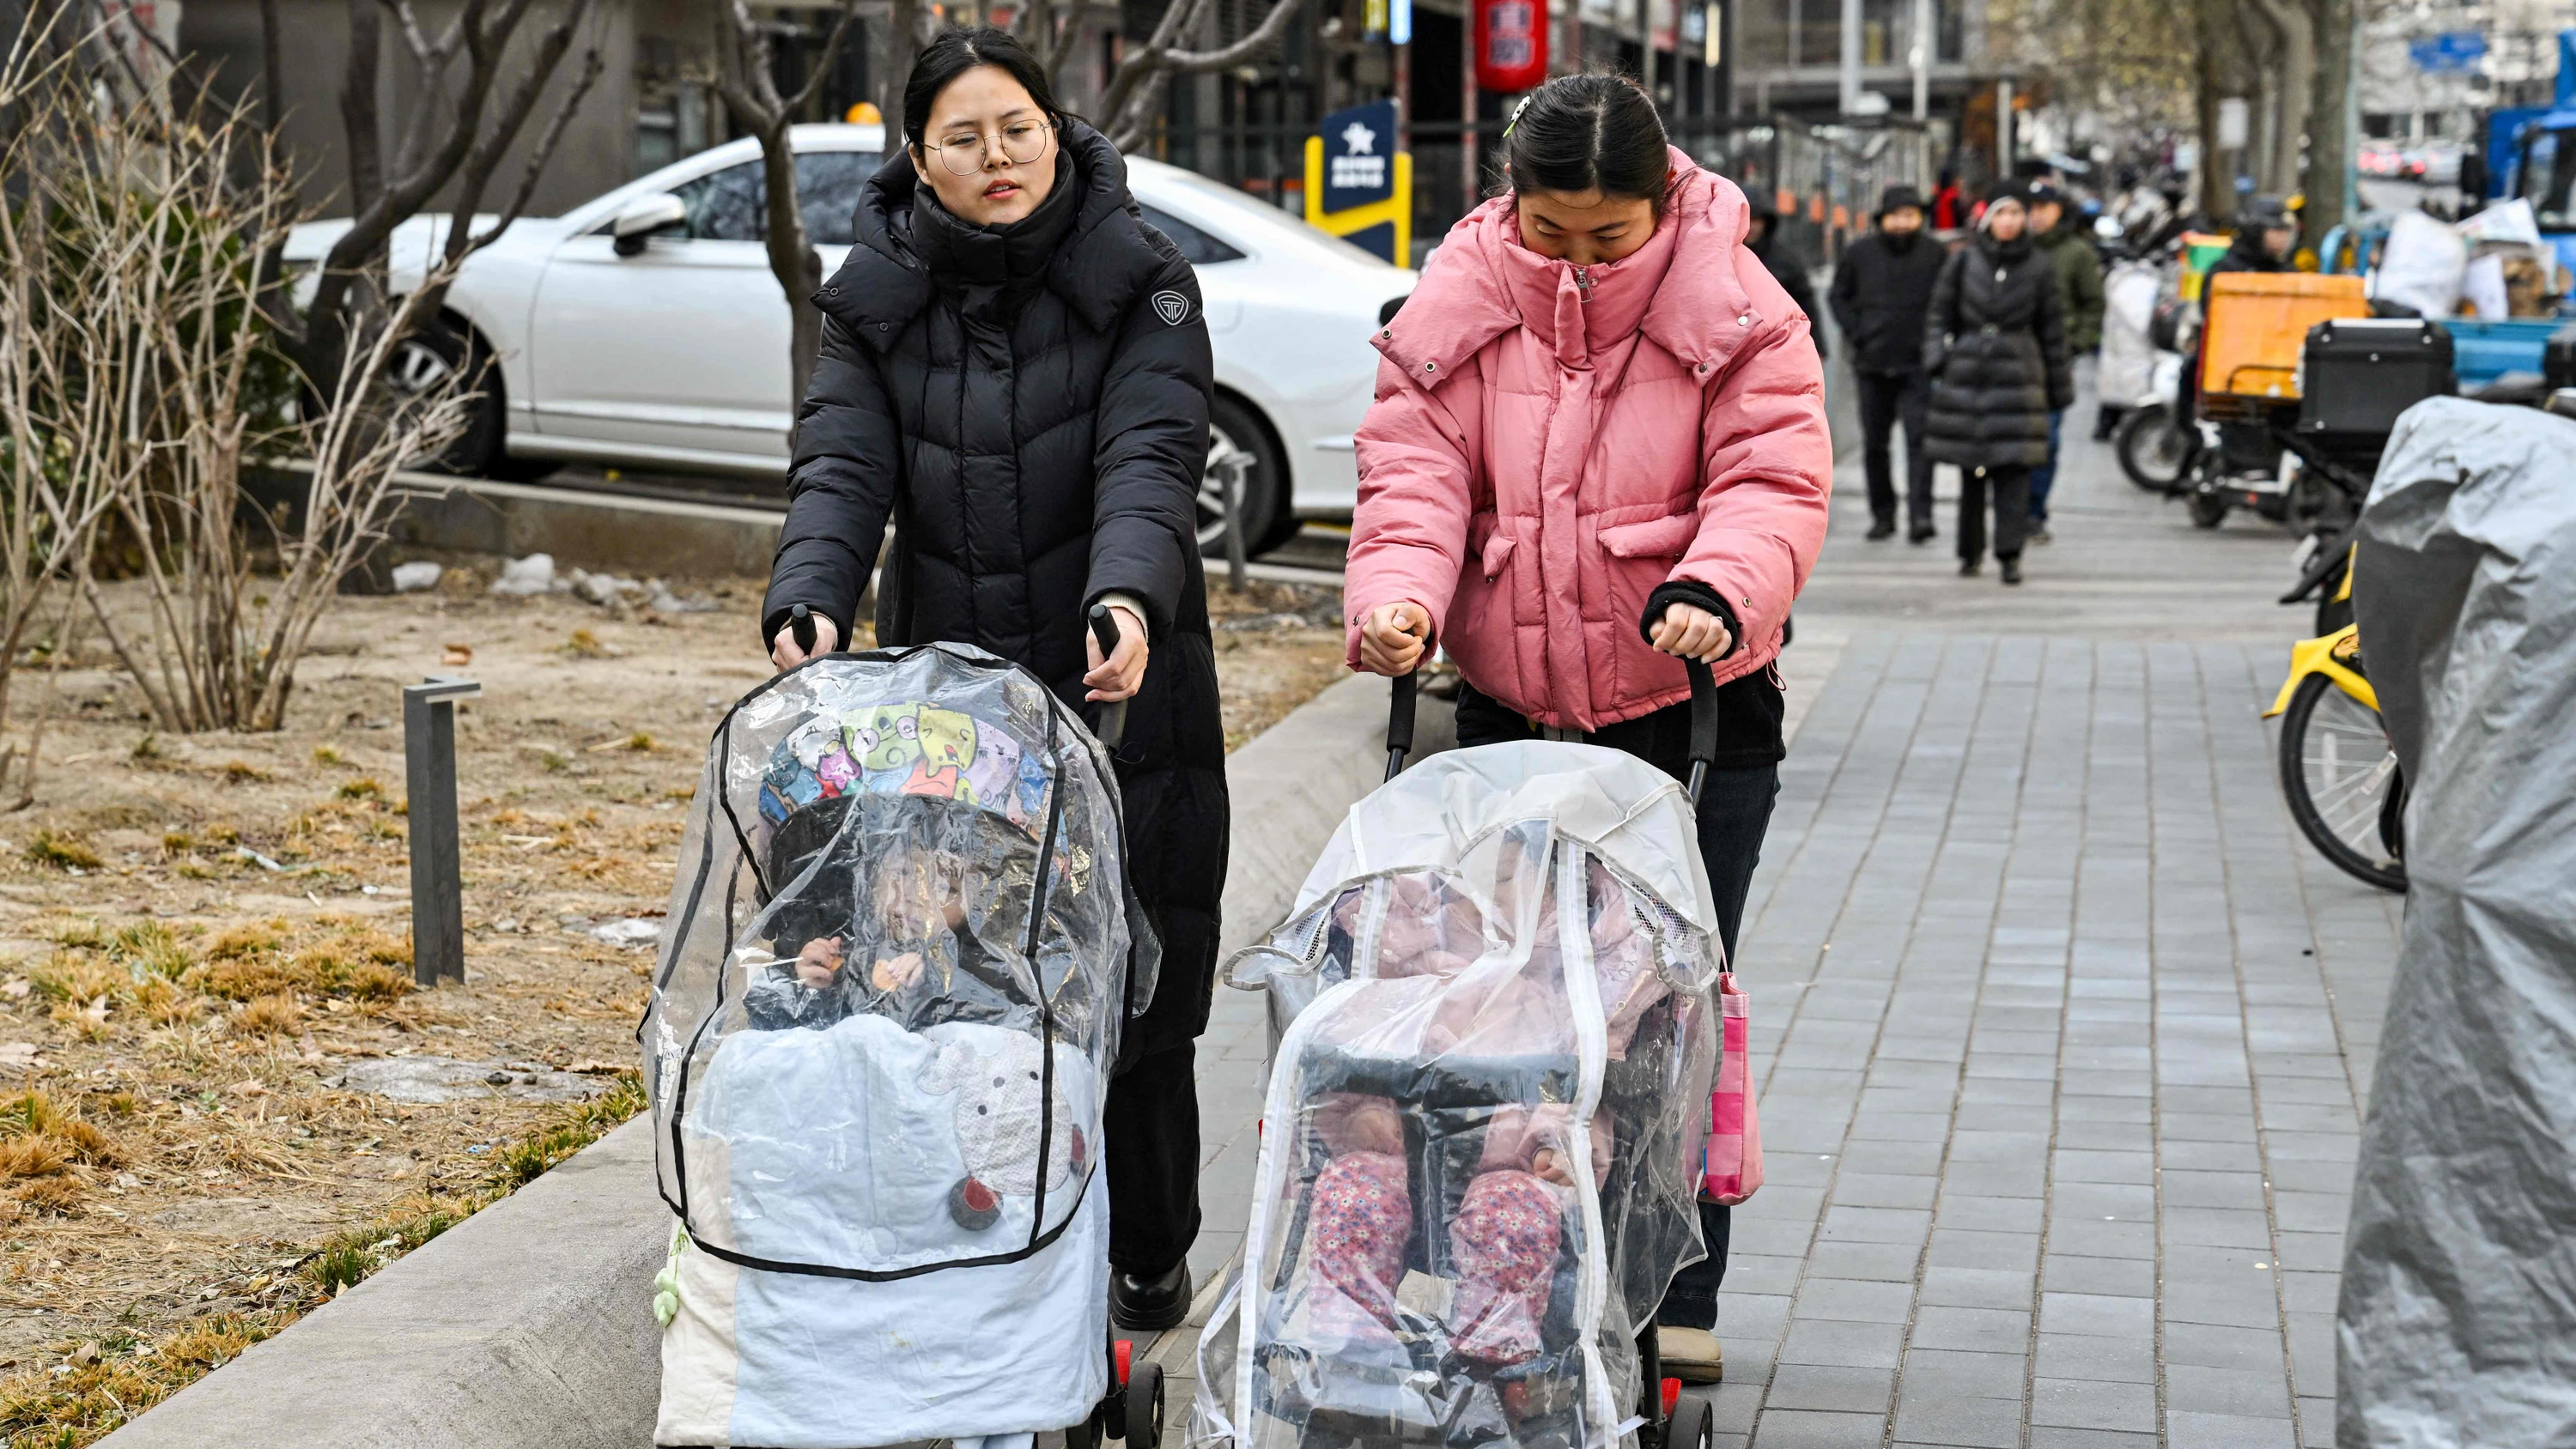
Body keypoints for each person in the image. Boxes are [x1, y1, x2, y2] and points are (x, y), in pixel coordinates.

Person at [1340, 73, 1832, 1385]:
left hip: (1694, 716)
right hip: (1512, 715)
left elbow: (1774, 482)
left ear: (1664, 207)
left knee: (1664, 1012)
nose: (1575, 259)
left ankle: (1676, 1288)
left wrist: (1718, 590)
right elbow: (1415, 468)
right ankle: (1522, 1272)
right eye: (1550, 231)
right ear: (1513, 202)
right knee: (1510, 1011)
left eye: (1607, 238)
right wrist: (1397, 597)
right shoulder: (1462, 295)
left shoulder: (1742, 311)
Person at [757, 26, 1229, 1333]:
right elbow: (841, 467)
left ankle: (1147, 1244)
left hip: (1124, 683)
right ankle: (982, 1250)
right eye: (962, 138)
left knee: (1138, 978)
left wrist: (1127, 593)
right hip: (949, 704)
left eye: (1015, 127)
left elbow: (1152, 456)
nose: (995, 157)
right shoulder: (875, 297)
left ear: (1055, 125)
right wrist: (811, 595)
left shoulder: (1142, 280)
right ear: (922, 156)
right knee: (954, 977)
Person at [1923, 179, 2070, 586]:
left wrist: (2059, 389)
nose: (2009, 221)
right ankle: (1970, 552)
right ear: (1988, 218)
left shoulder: (2039, 266)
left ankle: (2010, 554)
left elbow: (2052, 330)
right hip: (1967, 376)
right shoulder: (1964, 261)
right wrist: (1938, 359)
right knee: (1972, 472)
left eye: (2017, 213)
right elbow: (1939, 313)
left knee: (2014, 469)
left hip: (2020, 377)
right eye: (2001, 213)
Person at [1829, 185, 1947, 543]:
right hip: (1872, 363)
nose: (1902, 222)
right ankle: (1883, 515)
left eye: (1910, 215)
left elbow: (1948, 301)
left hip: (1918, 365)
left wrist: (1938, 345)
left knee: (1920, 442)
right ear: (1883, 218)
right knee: (1875, 444)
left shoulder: (1935, 254)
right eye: (1896, 215)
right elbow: (1839, 296)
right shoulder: (1860, 253)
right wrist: (1857, 332)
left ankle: (1920, 516)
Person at [2024, 184, 2102, 544]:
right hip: (2012, 363)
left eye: (2045, 207)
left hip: (2055, 361)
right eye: (2032, 207)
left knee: (2048, 441)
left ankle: (2035, 512)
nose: (2037, 214)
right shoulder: (2016, 249)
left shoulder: (2077, 254)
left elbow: (2092, 304)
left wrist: (2077, 343)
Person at [1744, 197, 1826, 362]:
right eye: (1746, 220)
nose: (1751, 227)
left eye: (1756, 220)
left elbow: (1805, 304)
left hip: (1777, 349)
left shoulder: (1786, 260)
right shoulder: (1723, 257)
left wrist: (1816, 346)